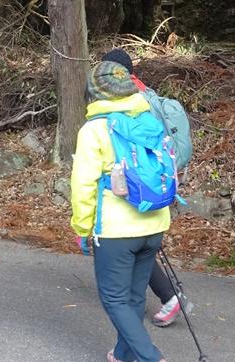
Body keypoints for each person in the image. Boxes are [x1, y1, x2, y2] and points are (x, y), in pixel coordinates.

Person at [71, 60, 171, 362]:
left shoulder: (94, 129)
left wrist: (82, 228)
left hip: (116, 229)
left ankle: (150, 357)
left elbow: (83, 186)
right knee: (133, 296)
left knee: (114, 298)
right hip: (154, 223)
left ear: (95, 93)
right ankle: (124, 353)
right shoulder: (149, 120)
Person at [100, 48, 186, 328]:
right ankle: (167, 294)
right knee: (146, 243)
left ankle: (170, 295)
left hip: (138, 182)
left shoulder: (130, 99)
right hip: (160, 179)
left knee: (137, 242)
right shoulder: (146, 92)